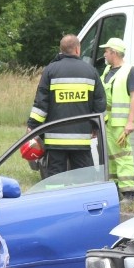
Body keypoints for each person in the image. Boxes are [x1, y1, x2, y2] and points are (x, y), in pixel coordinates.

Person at [27, 34, 106, 177]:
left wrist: (32, 126)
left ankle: (55, 199)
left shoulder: (50, 70)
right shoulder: (90, 71)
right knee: (82, 179)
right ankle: (80, 200)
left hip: (55, 139)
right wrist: (95, 127)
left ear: (61, 50)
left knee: (55, 180)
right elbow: (100, 103)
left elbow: (41, 103)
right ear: (77, 50)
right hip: (81, 139)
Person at [100, 37, 134, 203]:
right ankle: (114, 190)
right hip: (108, 122)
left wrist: (130, 122)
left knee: (123, 156)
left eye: (106, 51)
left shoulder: (129, 71)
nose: (104, 54)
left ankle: (129, 192)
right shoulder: (107, 70)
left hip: (121, 123)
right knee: (111, 157)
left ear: (114, 53)